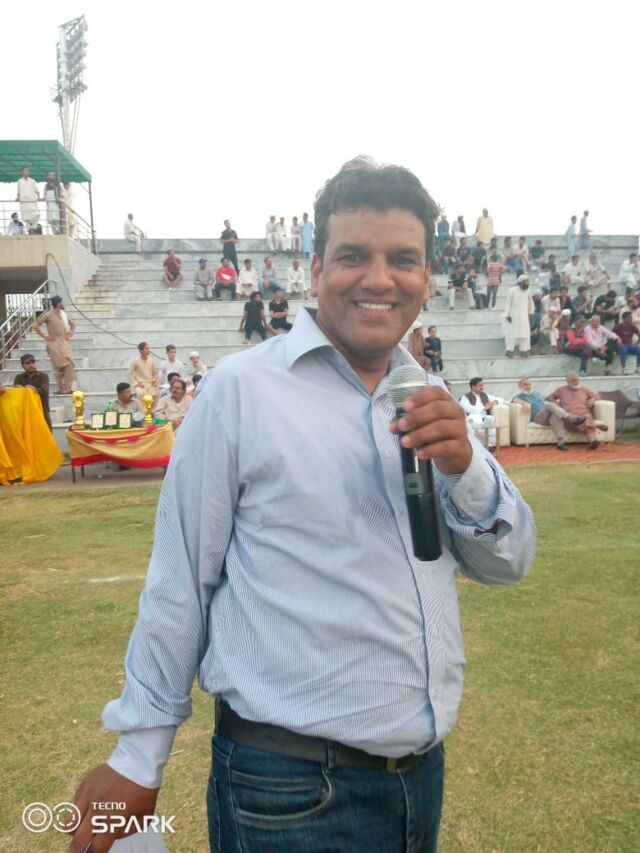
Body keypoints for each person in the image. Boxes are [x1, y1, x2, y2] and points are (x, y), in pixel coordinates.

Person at [70, 157, 534, 853]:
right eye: (353, 256)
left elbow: (507, 562)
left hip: (418, 779)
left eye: (402, 259)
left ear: (427, 278)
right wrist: (138, 757)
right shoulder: (240, 392)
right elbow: (180, 579)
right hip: (287, 790)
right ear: (315, 270)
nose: (379, 278)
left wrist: (466, 467)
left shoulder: (427, 396)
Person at [512, 377, 588, 451]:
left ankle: (560, 443)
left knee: (555, 415)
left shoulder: (537, 394)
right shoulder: (519, 396)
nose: (528, 386)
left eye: (529, 384)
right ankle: (570, 418)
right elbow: (514, 400)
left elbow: (550, 398)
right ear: (520, 386)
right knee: (549, 405)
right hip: (537, 418)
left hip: (546, 416)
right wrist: (523, 403)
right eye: (525, 385)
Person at [547, 373, 609, 449]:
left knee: (587, 419)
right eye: (573, 380)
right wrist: (557, 405)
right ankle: (595, 424)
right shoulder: (561, 390)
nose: (576, 382)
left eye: (577, 380)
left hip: (584, 413)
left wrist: (593, 399)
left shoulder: (585, 390)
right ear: (568, 381)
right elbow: (550, 398)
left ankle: (593, 441)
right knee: (585, 421)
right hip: (569, 416)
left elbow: (598, 396)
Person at [33, 295, 75, 394]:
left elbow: (72, 324)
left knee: (70, 365)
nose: (63, 304)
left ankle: (67, 389)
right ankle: (62, 389)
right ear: (58, 303)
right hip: (54, 344)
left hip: (64, 343)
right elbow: (36, 325)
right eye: (62, 302)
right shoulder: (49, 315)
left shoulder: (64, 315)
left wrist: (70, 334)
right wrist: (45, 336)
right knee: (57, 368)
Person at [13, 354, 51, 429]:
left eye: (33, 363)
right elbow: (16, 393)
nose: (31, 365)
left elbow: (43, 390)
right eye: (27, 363)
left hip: (42, 409)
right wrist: (23, 390)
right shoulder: (19, 377)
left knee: (46, 431)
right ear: (22, 365)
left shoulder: (43, 376)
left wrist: (34, 389)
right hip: (26, 411)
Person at [503, 274, 535, 357]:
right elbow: (507, 303)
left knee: (524, 333)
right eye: (526, 282)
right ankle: (509, 350)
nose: (527, 283)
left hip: (524, 316)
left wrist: (531, 312)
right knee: (512, 334)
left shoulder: (528, 291)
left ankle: (523, 350)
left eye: (528, 281)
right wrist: (507, 314)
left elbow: (531, 303)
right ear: (521, 282)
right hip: (513, 316)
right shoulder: (512, 290)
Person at [15, 166, 41, 234]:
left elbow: (37, 190)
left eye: (27, 171)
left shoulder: (32, 181)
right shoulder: (19, 181)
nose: (26, 172)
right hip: (23, 203)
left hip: (32, 202)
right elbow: (18, 192)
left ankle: (33, 228)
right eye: (25, 171)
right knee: (26, 218)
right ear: (22, 172)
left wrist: (39, 197)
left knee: (37, 215)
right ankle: (30, 230)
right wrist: (18, 198)